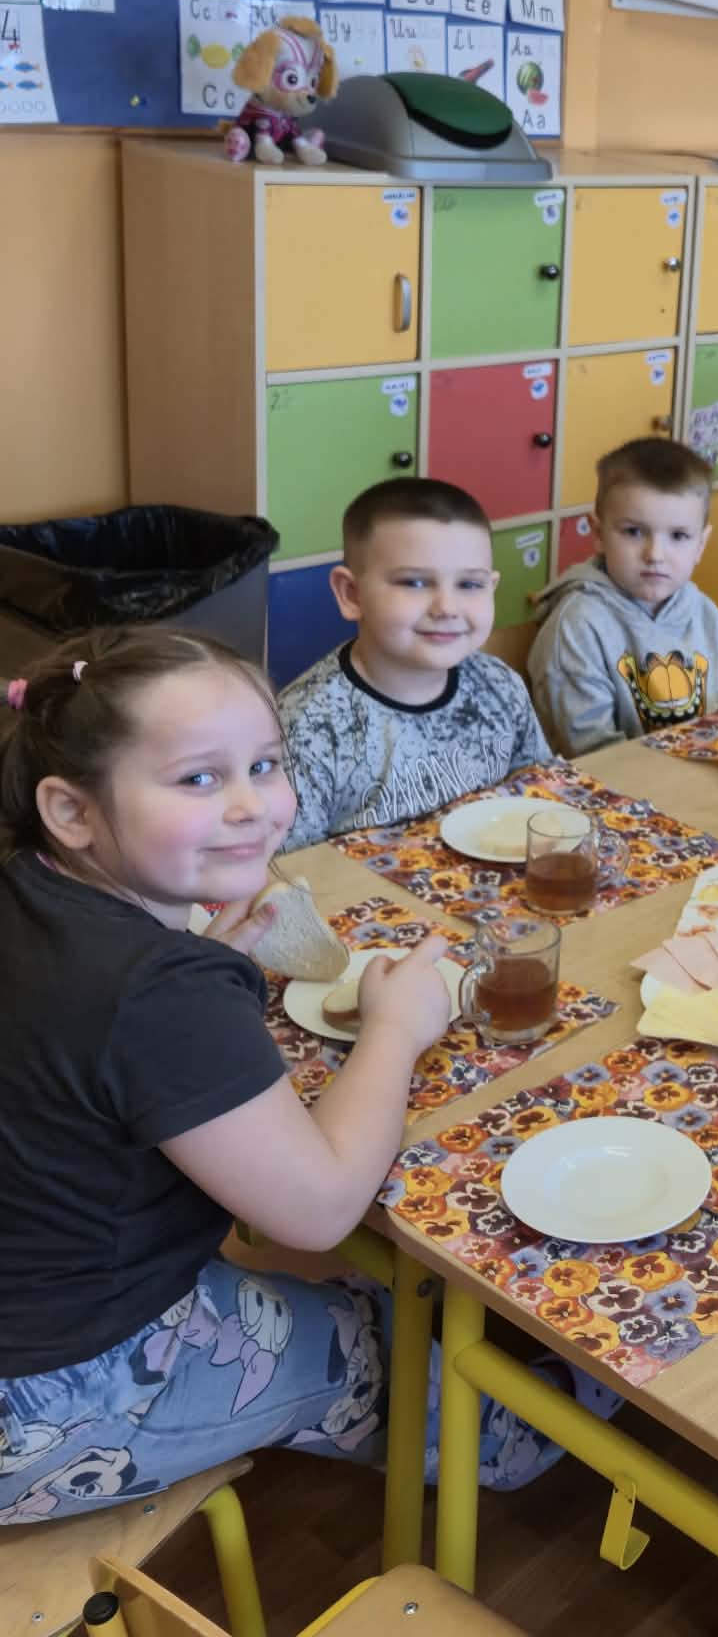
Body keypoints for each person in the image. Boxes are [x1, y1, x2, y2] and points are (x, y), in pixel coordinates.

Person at [0, 630, 566, 1524]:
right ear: (71, 811)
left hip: (40, 1300)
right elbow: (320, 1207)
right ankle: (563, 1419)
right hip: (58, 1395)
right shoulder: (156, 992)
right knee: (422, 1375)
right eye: (198, 778)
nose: (252, 808)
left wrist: (202, 968)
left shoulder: (33, 888)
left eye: (265, 765)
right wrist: (395, 1029)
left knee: (369, 1297)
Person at [278, 478, 551, 850]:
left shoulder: (501, 685)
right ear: (351, 594)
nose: (447, 608)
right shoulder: (307, 729)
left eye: (469, 585)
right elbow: (288, 872)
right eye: (414, 583)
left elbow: (539, 799)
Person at [528, 437, 718, 754]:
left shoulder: (703, 610)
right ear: (598, 533)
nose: (655, 555)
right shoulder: (577, 625)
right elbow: (591, 751)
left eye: (678, 536)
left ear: (701, 544)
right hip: (610, 782)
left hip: (705, 772)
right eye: (633, 532)